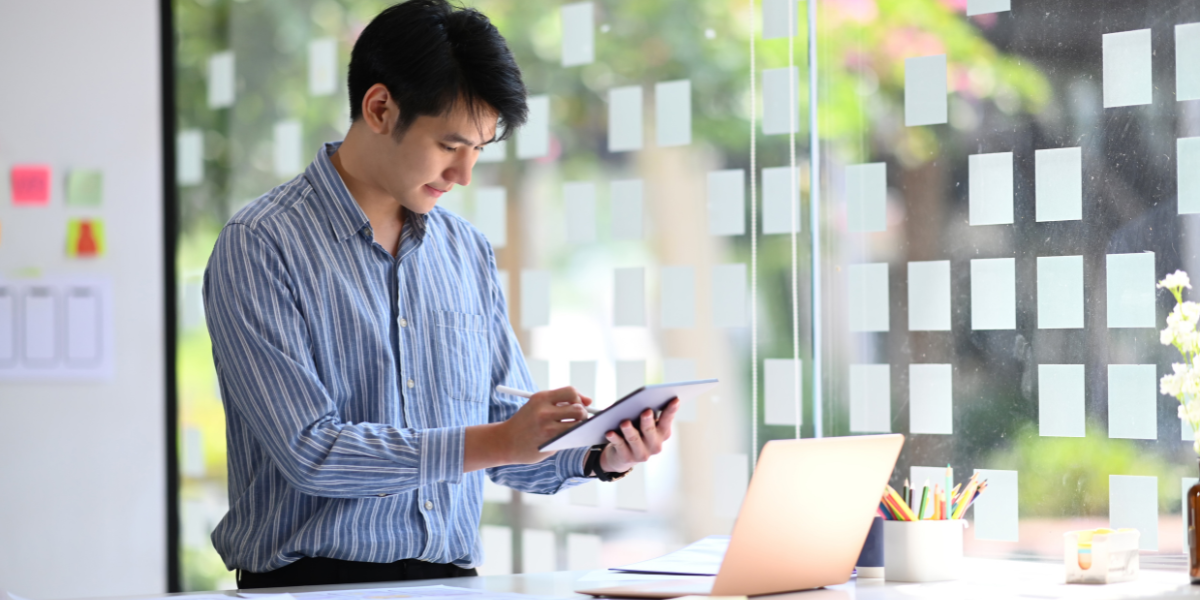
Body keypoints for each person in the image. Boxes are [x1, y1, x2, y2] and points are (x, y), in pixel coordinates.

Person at [202, 0, 680, 590]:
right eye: (450, 145)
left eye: (479, 148)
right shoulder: (261, 245)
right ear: (379, 108)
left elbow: (500, 433)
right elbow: (311, 451)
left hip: (454, 581)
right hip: (313, 584)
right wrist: (500, 438)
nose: (464, 174)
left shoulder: (466, 251)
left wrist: (599, 454)